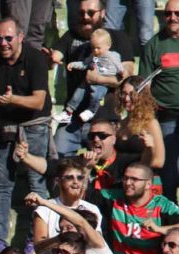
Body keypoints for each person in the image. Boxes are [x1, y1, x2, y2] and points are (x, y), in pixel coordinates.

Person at [0, 17, 51, 250]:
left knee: (37, 183)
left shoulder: (35, 58)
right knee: (3, 183)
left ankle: (33, 239)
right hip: (6, 124)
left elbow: (39, 101)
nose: (3, 43)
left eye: (8, 38)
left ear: (20, 37)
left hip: (34, 124)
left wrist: (12, 99)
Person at [49, 0, 134, 156]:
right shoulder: (71, 36)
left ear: (102, 13)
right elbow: (56, 56)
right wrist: (50, 59)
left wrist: (97, 79)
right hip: (73, 118)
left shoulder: (118, 38)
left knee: (102, 166)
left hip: (105, 118)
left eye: (90, 13)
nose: (85, 17)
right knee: (58, 158)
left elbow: (128, 73)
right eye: (81, 13)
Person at [105, 163, 179, 254]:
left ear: (148, 184)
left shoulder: (162, 206)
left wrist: (161, 229)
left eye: (134, 179)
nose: (127, 183)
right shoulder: (113, 200)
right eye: (126, 178)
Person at [139, 0, 179, 202]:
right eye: (168, 13)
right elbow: (143, 87)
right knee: (169, 175)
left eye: (177, 13)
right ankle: (172, 221)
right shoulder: (154, 44)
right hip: (166, 117)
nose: (172, 18)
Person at [55, 29, 123, 126]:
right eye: (93, 48)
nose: (95, 51)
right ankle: (68, 112)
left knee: (96, 95)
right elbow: (85, 64)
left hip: (102, 82)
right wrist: (74, 64)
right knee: (78, 93)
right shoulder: (93, 56)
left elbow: (118, 65)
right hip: (89, 81)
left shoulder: (112, 56)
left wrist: (121, 71)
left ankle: (91, 110)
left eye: (98, 48)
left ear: (108, 45)